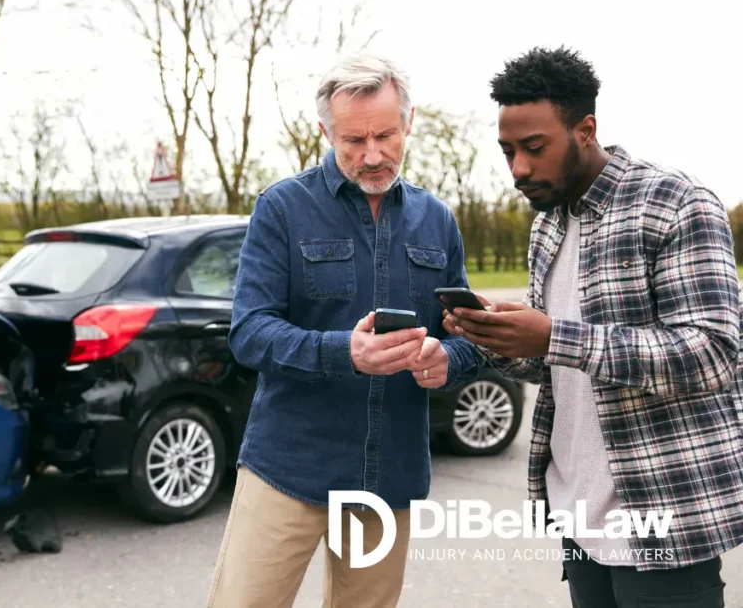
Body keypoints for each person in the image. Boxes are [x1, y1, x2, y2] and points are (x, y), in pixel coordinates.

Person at [443, 45, 743, 607]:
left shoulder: (676, 203)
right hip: (579, 516)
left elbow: (713, 355)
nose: (518, 169)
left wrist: (556, 335)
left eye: (534, 148)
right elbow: (553, 367)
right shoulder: (547, 227)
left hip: (663, 515)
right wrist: (494, 337)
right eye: (507, 151)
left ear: (585, 130)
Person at [205, 53, 481, 608]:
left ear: (409, 122)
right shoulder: (282, 208)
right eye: (354, 140)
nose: (372, 155)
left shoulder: (438, 220)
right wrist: (344, 353)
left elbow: (467, 335)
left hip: (389, 476)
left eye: (385, 135)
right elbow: (249, 332)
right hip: (288, 468)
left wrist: (448, 360)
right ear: (325, 131)